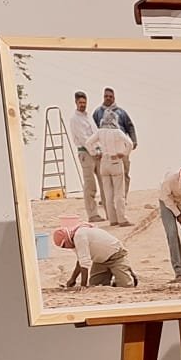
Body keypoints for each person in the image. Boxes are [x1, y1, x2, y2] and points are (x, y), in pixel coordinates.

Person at [52, 222, 135, 287]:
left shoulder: (79, 236)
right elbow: (80, 260)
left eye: (64, 245)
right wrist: (73, 279)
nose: (66, 248)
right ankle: (115, 275)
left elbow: (84, 263)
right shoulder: (74, 240)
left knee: (126, 286)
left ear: (67, 239)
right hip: (100, 262)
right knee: (95, 284)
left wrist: (83, 286)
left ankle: (126, 271)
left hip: (116, 257)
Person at [90, 114, 133, 224]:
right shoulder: (117, 132)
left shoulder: (100, 132)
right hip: (115, 161)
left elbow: (88, 143)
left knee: (108, 194)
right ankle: (122, 219)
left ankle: (112, 219)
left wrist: (94, 153)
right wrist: (123, 153)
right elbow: (130, 143)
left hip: (104, 162)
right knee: (119, 193)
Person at [68, 90, 103, 221]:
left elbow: (96, 134)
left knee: (104, 182)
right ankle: (92, 214)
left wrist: (100, 149)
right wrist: (93, 151)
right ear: (76, 102)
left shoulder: (88, 117)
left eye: (84, 102)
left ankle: (109, 212)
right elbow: (84, 139)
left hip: (97, 152)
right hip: (86, 153)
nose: (82, 105)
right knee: (90, 185)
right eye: (80, 102)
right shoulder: (75, 119)